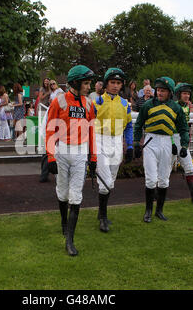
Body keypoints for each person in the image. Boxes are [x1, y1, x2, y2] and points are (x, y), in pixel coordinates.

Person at [45, 65, 97, 256]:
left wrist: (93, 157)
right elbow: (50, 129)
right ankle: (63, 222)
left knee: (75, 195)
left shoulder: (89, 104)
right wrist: (50, 155)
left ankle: (70, 240)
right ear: (75, 83)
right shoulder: (58, 101)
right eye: (86, 83)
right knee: (62, 192)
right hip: (61, 152)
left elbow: (92, 132)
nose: (88, 86)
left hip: (81, 154)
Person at [133, 77, 189, 223]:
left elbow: (183, 128)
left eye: (163, 90)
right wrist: (136, 142)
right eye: (158, 90)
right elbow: (138, 125)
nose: (159, 92)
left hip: (167, 143)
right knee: (151, 179)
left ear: (170, 92)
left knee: (164, 180)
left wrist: (184, 146)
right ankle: (148, 211)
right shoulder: (147, 105)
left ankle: (159, 211)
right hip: (151, 141)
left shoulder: (176, 108)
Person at [93, 68, 133, 232]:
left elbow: (129, 126)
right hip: (99, 140)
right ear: (106, 84)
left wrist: (130, 146)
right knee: (105, 182)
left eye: (118, 83)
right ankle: (103, 217)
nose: (115, 86)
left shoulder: (125, 104)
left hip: (117, 141)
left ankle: (101, 212)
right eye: (112, 82)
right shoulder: (96, 102)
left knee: (111, 181)